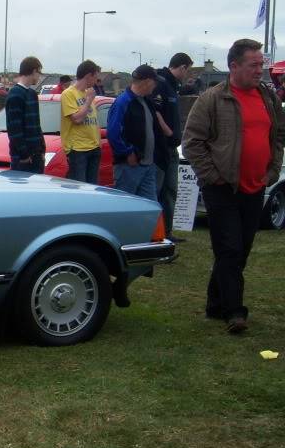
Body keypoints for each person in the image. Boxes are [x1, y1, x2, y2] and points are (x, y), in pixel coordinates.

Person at [182, 38, 284, 334]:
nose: (259, 70)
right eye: (254, 65)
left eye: (261, 64)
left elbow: (279, 134)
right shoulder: (212, 99)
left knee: (241, 250)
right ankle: (235, 312)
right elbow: (192, 142)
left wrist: (273, 169)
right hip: (222, 188)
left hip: (255, 186)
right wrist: (213, 176)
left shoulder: (268, 97)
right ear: (234, 66)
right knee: (229, 249)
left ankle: (215, 304)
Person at [107, 65, 167, 201]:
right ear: (147, 82)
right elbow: (113, 133)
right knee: (125, 208)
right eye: (154, 81)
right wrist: (127, 152)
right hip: (129, 166)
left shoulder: (146, 101)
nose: (155, 85)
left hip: (148, 165)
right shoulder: (123, 102)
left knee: (150, 209)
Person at [152, 53, 193, 241]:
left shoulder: (173, 86)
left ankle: (167, 232)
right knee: (158, 190)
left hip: (172, 149)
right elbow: (155, 111)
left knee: (171, 190)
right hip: (160, 149)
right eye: (188, 70)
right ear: (182, 67)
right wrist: (168, 131)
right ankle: (154, 232)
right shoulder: (160, 83)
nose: (188, 75)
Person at [60, 60, 102, 183]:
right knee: (80, 188)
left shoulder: (88, 94)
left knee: (92, 188)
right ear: (89, 75)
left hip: (94, 148)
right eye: (95, 77)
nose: (96, 82)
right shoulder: (68, 94)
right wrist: (88, 100)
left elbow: (93, 121)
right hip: (78, 150)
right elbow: (77, 119)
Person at [5, 56, 46, 172]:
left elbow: (37, 125)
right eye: (39, 72)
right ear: (34, 71)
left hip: (36, 156)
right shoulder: (15, 94)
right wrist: (23, 155)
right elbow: (14, 129)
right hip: (22, 159)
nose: (39, 76)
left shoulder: (32, 94)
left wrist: (42, 149)